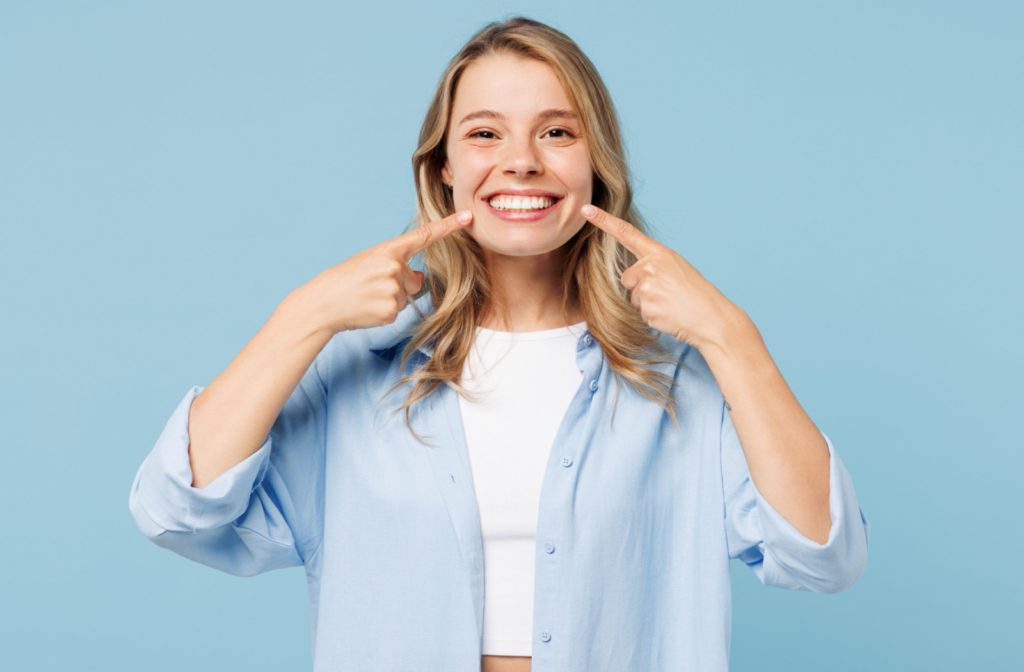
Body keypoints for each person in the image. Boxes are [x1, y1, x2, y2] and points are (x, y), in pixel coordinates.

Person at [128, 15, 870, 672]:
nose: (522, 161)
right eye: (485, 132)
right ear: (445, 169)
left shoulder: (681, 385)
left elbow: (823, 556)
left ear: (595, 164)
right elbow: (175, 510)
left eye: (557, 131)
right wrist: (302, 316)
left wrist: (732, 337)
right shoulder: (359, 376)